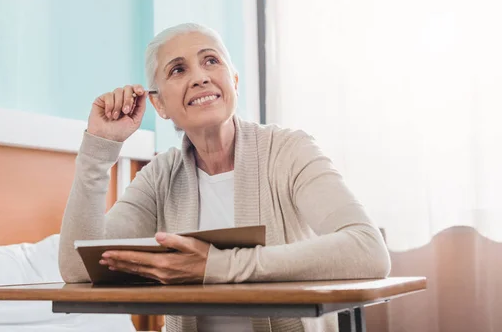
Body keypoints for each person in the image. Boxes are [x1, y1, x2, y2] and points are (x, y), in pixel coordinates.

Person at [59, 23, 391, 332]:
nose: (201, 77)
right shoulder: (159, 176)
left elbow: (368, 249)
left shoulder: (290, 150)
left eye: (211, 61)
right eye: (178, 69)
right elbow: (77, 270)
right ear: (158, 105)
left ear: (233, 81)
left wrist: (219, 266)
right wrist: (99, 149)